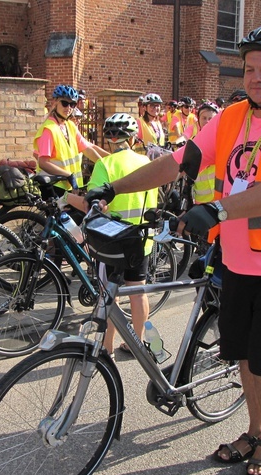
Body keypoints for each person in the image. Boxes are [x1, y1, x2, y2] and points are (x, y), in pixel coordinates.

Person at [86, 24, 261, 475]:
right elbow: (178, 161)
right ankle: (251, 430)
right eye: (250, 68)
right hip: (235, 258)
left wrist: (217, 208)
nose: (255, 77)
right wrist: (109, 187)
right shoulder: (234, 115)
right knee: (241, 353)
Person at [66, 114, 156, 358]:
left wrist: (66, 198)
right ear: (133, 137)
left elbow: (92, 205)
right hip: (141, 240)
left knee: (109, 295)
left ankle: (106, 347)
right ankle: (137, 343)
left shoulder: (105, 165)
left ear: (108, 139)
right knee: (138, 292)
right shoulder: (147, 163)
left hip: (113, 242)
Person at [33, 85, 106, 197]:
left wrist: (108, 162)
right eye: (65, 103)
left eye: (72, 104)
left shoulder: (70, 126)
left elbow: (88, 148)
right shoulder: (49, 129)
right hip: (53, 186)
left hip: (70, 186)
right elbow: (43, 162)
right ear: (55, 102)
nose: (69, 108)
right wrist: (68, 175)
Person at [191, 101, 219, 204]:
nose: (207, 121)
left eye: (210, 118)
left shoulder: (224, 141)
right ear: (198, 120)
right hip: (202, 199)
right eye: (204, 118)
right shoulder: (194, 142)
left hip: (220, 197)